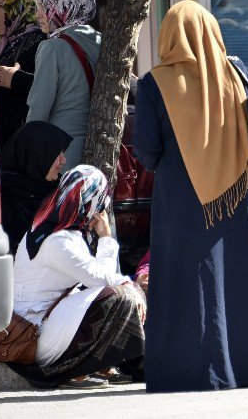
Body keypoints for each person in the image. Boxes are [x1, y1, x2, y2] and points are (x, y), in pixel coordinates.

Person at [133, 0, 248, 393]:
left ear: (169, 35)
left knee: (193, 282)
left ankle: (191, 371)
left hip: (184, 202)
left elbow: (147, 151)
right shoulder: (239, 73)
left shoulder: (154, 84)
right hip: (244, 195)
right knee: (246, 278)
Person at [8, 165, 146, 389]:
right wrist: (106, 239)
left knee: (121, 293)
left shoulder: (58, 231)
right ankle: (77, 368)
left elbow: (99, 278)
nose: (100, 210)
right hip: (34, 335)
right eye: (100, 202)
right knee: (118, 297)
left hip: (44, 324)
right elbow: (102, 280)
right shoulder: (57, 241)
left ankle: (101, 364)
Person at [26, 0, 100, 170]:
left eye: (44, 6)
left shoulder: (52, 47)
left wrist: (27, 150)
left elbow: (39, 108)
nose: (39, 14)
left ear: (64, 7)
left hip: (61, 154)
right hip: (98, 149)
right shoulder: (101, 42)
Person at [0, 0, 46, 151]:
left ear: (19, 7)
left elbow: (49, 87)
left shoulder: (36, 42)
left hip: (17, 145)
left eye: (1, 6)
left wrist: (16, 79)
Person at [0, 122, 72, 255]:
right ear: (37, 154)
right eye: (57, 153)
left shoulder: (60, 189)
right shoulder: (4, 197)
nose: (63, 160)